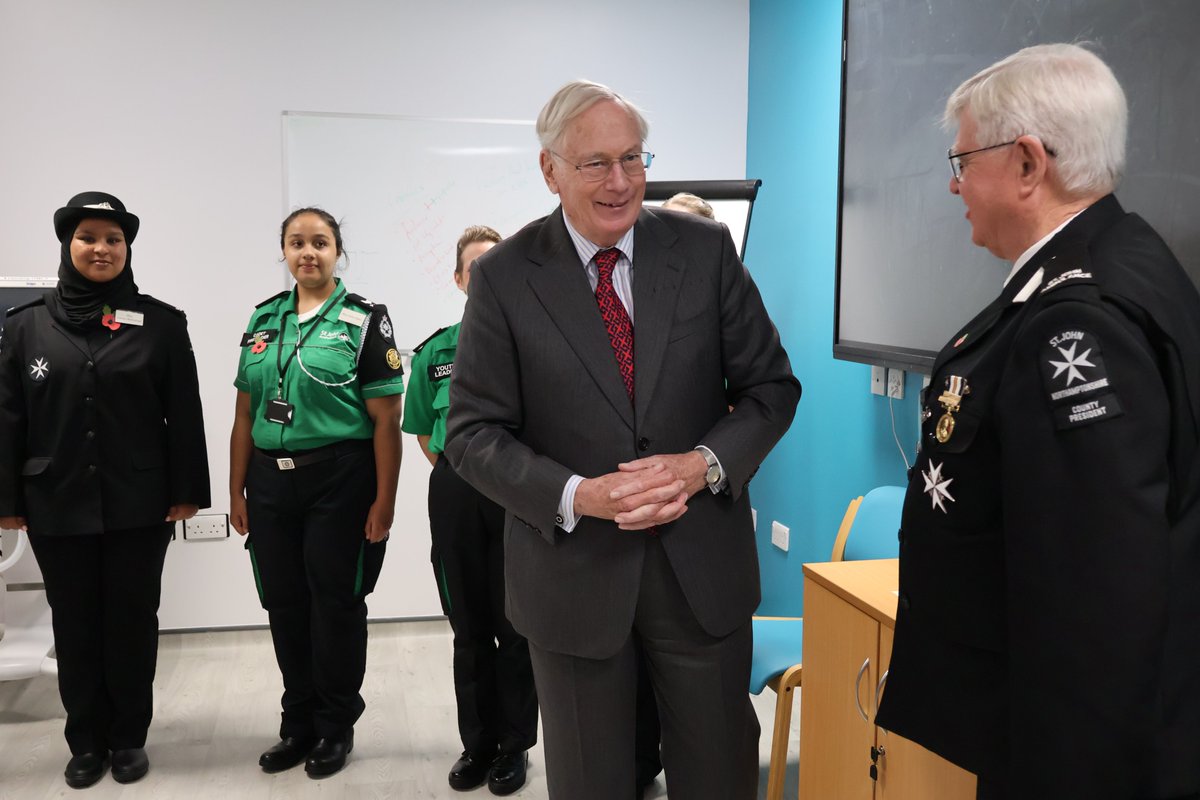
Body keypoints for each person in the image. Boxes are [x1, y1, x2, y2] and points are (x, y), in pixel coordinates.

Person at [444, 80, 800, 800]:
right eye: (596, 164)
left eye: (633, 159)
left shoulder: (702, 251)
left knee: (721, 775)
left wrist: (703, 466)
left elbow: (771, 390)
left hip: (701, 573)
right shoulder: (507, 277)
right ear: (550, 170)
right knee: (590, 782)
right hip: (573, 579)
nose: (620, 182)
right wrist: (578, 495)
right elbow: (472, 433)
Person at [874, 43, 1200, 800]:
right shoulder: (1132, 256)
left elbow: (1094, 598)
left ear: (1027, 164)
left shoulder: (1075, 326)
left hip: (1073, 750)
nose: (954, 186)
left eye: (962, 162)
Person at [0, 191, 210, 788]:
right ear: (68, 245)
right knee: (74, 622)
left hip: (140, 504)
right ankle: (84, 739)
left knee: (131, 621)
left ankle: (127, 739)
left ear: (127, 250)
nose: (102, 248)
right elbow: (8, 418)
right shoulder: (26, 327)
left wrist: (189, 490)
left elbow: (184, 414)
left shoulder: (163, 324)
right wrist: (8, 502)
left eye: (114, 239)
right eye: (89, 237)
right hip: (55, 502)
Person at [229, 207, 403, 779]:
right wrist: (236, 493)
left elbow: (386, 420)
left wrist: (384, 501)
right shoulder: (262, 320)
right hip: (270, 480)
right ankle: (296, 723)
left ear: (337, 252)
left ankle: (334, 727)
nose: (308, 252)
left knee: (335, 604)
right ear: (283, 250)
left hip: (341, 479)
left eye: (320, 242)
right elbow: (245, 413)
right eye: (297, 242)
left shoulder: (364, 320)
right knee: (283, 602)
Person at [402, 224, 539, 796]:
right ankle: (477, 744)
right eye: (472, 268)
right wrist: (461, 472)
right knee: (468, 626)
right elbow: (422, 431)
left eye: (493, 265)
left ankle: (513, 747)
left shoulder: (535, 345)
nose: (482, 275)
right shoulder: (435, 350)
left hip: (513, 492)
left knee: (517, 626)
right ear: (459, 279)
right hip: (455, 491)